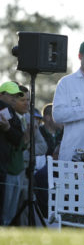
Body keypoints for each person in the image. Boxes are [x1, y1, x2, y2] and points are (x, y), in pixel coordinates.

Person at [2, 84, 47, 225]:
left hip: (25, 173)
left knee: (25, 213)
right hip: (10, 170)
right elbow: (11, 146)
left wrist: (24, 147)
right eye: (23, 100)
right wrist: (24, 144)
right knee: (6, 212)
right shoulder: (6, 115)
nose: (26, 103)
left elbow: (42, 146)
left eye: (28, 100)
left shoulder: (30, 119)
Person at [0, 82, 23, 225]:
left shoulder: (12, 114)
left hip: (3, 167)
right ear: (1, 94)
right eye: (11, 95)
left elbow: (18, 139)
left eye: (16, 96)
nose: (14, 99)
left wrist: (8, 128)